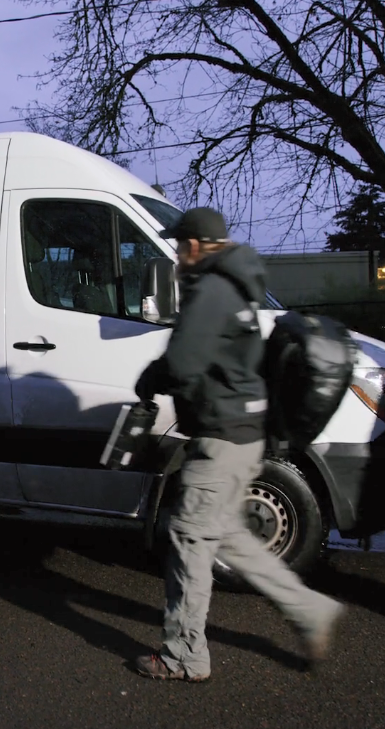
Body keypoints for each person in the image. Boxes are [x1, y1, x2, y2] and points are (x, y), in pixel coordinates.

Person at [132, 207, 344, 682]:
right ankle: (309, 610)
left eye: (177, 247)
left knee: (189, 539)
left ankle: (183, 656)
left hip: (221, 440)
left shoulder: (211, 288)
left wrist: (151, 377)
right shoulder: (239, 284)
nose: (175, 256)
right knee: (225, 534)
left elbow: (184, 361)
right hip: (246, 436)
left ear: (192, 246)